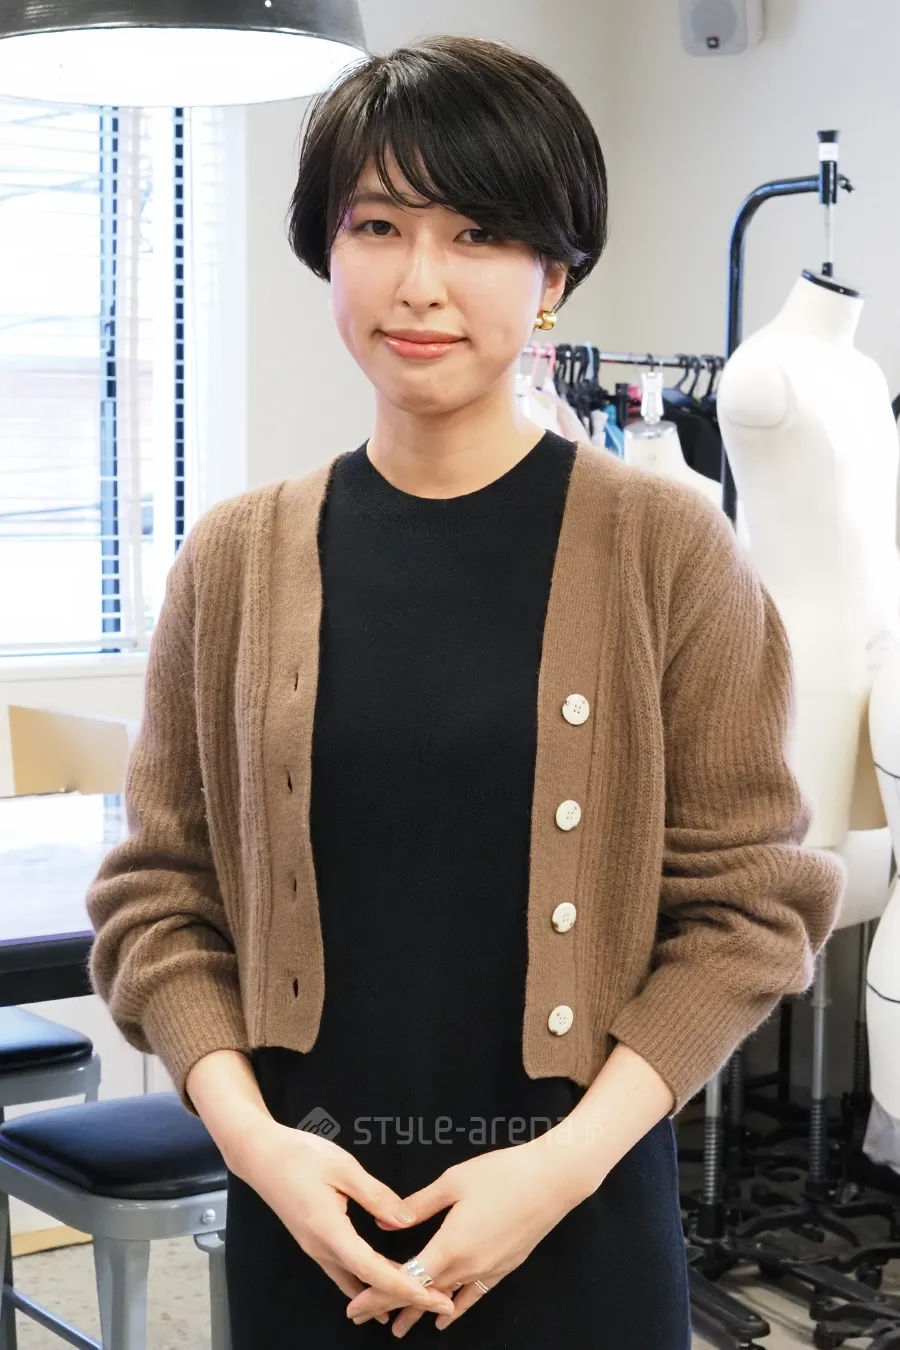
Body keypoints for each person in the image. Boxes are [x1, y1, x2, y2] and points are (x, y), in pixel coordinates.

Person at [85, 34, 845, 1349]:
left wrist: (556, 1172)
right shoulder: (235, 559)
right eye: (378, 226)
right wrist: (258, 1148)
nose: (420, 281)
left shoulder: (668, 550)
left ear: (554, 276)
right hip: (304, 1222)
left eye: (479, 234)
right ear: (327, 250)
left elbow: (750, 906)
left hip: (578, 1219)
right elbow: (162, 898)